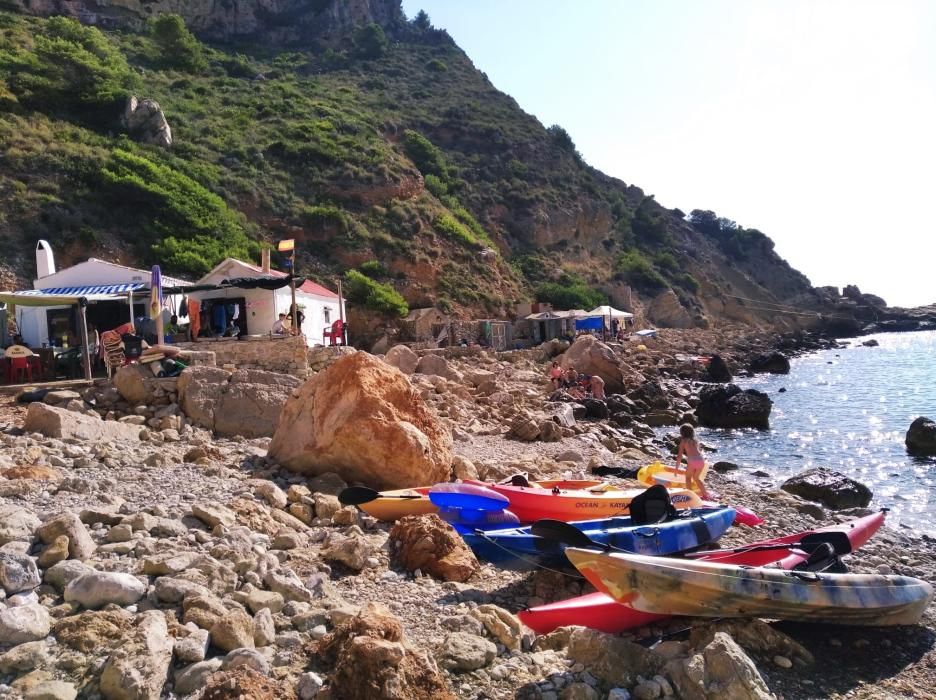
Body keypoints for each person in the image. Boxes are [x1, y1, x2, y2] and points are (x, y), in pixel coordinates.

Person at [675, 423, 710, 498]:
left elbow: (679, 455)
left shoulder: (684, 441)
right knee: (697, 478)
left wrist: (676, 468)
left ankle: (690, 496)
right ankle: (706, 496)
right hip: (701, 460)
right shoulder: (695, 440)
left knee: (688, 478)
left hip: (692, 460)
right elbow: (698, 451)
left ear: (682, 433)